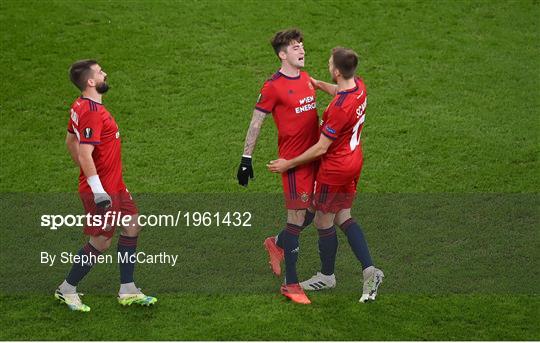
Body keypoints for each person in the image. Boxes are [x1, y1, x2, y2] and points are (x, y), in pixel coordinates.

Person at [268, 47, 384, 303]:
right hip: (354, 162)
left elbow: (321, 147)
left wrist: (289, 163)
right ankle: (369, 270)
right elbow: (339, 91)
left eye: (330, 63)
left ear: (336, 71)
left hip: (335, 168)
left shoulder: (339, 110)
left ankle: (327, 275)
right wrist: (318, 85)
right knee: (343, 215)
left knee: (322, 220)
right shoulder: (359, 86)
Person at [56, 59, 157, 311]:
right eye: (101, 72)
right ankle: (67, 288)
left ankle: (128, 289)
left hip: (114, 185)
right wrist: (98, 189)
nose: (105, 74)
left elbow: (71, 142)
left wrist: (91, 173)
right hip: (103, 192)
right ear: (91, 82)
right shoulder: (91, 111)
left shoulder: (80, 105)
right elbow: (85, 153)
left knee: (132, 225)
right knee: (100, 241)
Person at [237, 29, 319, 304]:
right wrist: (246, 159)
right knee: (296, 220)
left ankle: (277, 243)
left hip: (316, 160)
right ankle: (291, 284)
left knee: (312, 214)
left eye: (302, 46)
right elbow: (256, 122)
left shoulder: (307, 79)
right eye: (295, 47)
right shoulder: (272, 86)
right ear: (282, 55)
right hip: (293, 165)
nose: (302, 50)